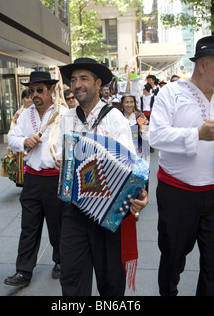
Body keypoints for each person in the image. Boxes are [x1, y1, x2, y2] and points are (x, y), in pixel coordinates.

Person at [150, 35, 214, 296]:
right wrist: (196, 134)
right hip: (178, 193)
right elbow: (156, 136)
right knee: (173, 257)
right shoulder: (170, 93)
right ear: (202, 65)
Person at [57, 57, 149, 296]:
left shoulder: (115, 117)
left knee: (110, 281)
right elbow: (58, 152)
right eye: (74, 79)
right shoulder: (67, 118)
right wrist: (60, 159)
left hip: (107, 210)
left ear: (98, 84)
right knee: (71, 276)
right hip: (74, 208)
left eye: (83, 79)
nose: (77, 84)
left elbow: (131, 164)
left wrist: (140, 193)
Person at [5, 71, 67, 289]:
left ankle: (60, 261)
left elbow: (72, 141)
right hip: (32, 178)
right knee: (28, 226)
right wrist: (24, 141)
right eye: (31, 90)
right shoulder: (24, 115)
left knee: (57, 224)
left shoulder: (64, 114)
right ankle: (23, 271)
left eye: (40, 89)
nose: (35, 94)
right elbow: (12, 138)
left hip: (55, 179)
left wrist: (64, 158)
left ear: (51, 90)